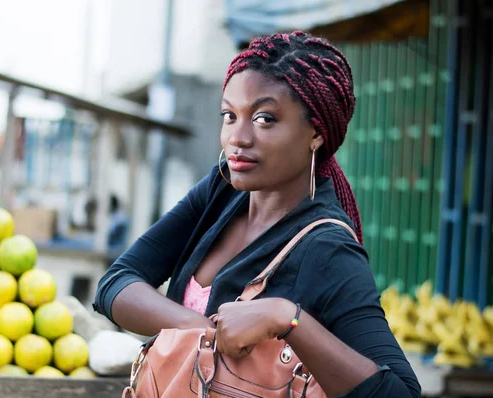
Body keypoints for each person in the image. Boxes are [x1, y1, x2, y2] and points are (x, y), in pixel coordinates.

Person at [94, 31, 420, 397]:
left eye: (264, 118)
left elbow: (401, 392)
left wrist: (287, 318)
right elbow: (115, 284)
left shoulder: (327, 248)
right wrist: (207, 333)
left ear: (315, 132)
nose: (238, 137)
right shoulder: (221, 192)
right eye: (229, 115)